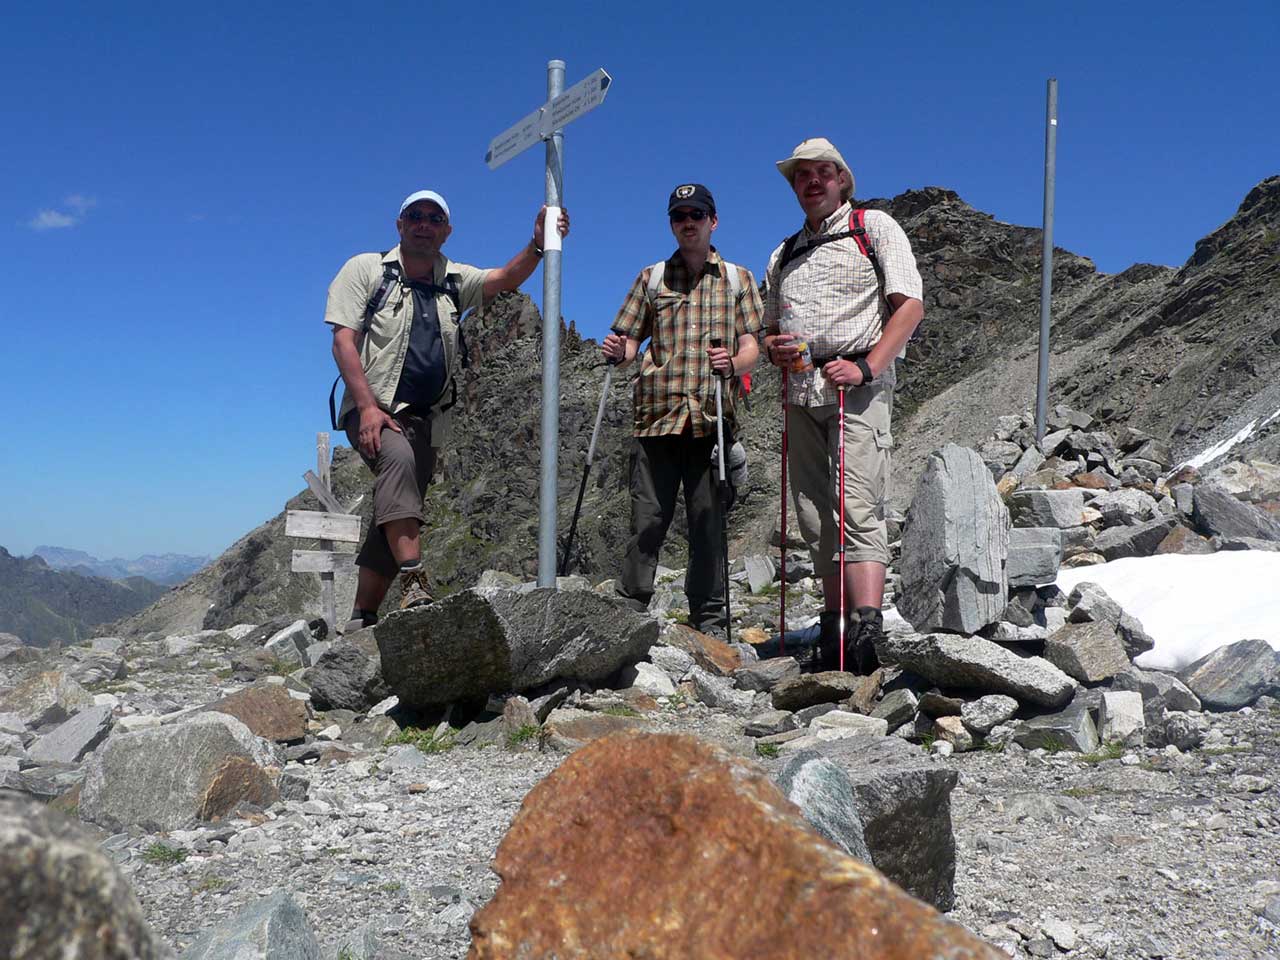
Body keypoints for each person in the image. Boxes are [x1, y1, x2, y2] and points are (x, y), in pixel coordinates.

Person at [325, 189, 569, 632]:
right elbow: (344, 341)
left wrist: (538, 244)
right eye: (415, 216)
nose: (424, 224)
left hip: (427, 420)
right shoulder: (366, 270)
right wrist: (367, 408)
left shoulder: (454, 279)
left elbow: (505, 279)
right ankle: (415, 581)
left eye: (434, 219)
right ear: (399, 224)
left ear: (447, 231)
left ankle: (363, 618)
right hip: (373, 407)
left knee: (398, 505)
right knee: (397, 462)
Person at [761, 138, 924, 672]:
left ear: (842, 180)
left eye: (822, 173)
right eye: (801, 175)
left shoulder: (873, 228)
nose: (812, 181)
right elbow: (768, 330)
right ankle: (834, 628)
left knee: (857, 506)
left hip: (856, 387)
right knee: (813, 513)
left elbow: (909, 307)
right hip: (800, 392)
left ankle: (866, 627)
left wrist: (867, 367)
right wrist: (774, 348)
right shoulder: (782, 254)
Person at [602, 184, 764, 637]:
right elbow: (630, 343)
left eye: (696, 215)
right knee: (648, 519)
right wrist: (619, 350)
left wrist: (733, 363)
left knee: (708, 522)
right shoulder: (652, 278)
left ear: (713, 221)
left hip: (711, 420)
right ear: (672, 224)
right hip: (656, 417)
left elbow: (753, 346)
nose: (687, 222)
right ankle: (629, 612)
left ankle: (708, 619)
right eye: (679, 216)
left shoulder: (738, 279)